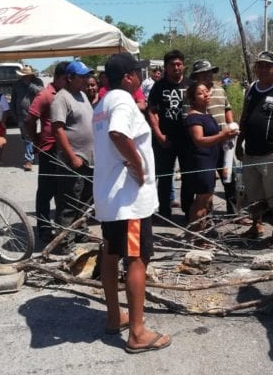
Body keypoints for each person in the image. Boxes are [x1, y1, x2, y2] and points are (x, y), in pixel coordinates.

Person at [93, 52, 171, 354]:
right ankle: (137, 332)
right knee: (137, 259)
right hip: (129, 200)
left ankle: (116, 317)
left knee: (111, 255)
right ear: (128, 77)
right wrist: (138, 166)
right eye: (137, 72)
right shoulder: (123, 101)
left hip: (110, 198)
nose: (140, 77)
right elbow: (118, 134)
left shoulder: (101, 103)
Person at [235, 50, 273, 247]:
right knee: (253, 194)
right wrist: (239, 143)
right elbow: (245, 116)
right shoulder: (252, 88)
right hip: (250, 152)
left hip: (272, 153)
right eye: (259, 65)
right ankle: (257, 225)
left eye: (266, 66)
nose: (262, 69)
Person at [51, 61, 95, 252]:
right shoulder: (62, 98)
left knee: (85, 200)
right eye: (83, 76)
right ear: (70, 78)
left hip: (89, 159)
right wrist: (72, 157)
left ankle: (80, 233)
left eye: (87, 76)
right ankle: (64, 242)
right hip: (74, 159)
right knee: (68, 202)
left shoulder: (83, 95)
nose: (87, 80)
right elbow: (58, 130)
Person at [184, 81, 237, 235]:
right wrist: (222, 135)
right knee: (201, 200)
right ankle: (197, 236)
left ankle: (199, 232)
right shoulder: (194, 117)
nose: (206, 95)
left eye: (207, 91)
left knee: (206, 199)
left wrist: (228, 136)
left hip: (211, 160)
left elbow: (215, 137)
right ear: (193, 98)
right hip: (201, 162)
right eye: (200, 93)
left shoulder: (207, 114)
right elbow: (199, 140)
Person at [25, 61, 70, 242]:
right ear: (58, 78)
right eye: (67, 78)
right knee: (45, 191)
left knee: (63, 190)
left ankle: (63, 228)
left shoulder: (69, 94)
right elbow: (29, 119)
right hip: (49, 150)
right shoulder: (45, 95)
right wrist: (35, 140)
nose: (69, 81)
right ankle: (43, 228)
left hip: (66, 150)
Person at [147, 50, 190, 219]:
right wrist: (159, 135)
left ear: (183, 66)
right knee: (164, 176)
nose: (176, 68)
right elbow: (152, 112)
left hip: (187, 139)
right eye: (172, 65)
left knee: (188, 175)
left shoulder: (190, 84)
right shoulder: (159, 86)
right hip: (165, 139)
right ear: (166, 67)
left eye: (179, 64)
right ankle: (164, 211)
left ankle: (188, 209)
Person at [189, 59, 235, 212]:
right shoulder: (192, 94)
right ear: (196, 76)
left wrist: (231, 125)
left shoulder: (220, 90)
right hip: (205, 144)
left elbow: (227, 108)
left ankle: (233, 212)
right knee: (206, 184)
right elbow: (188, 119)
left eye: (209, 72)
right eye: (203, 74)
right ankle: (203, 216)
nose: (207, 76)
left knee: (229, 177)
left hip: (225, 141)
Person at [11, 66, 44, 171]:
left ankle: (29, 159)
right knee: (27, 138)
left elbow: (41, 93)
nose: (25, 77)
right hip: (22, 115)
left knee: (33, 137)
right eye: (24, 75)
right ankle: (30, 157)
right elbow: (13, 100)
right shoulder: (17, 84)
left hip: (36, 115)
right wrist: (14, 114)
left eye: (27, 75)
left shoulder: (38, 82)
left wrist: (29, 85)